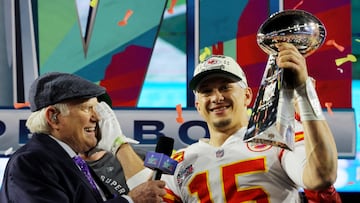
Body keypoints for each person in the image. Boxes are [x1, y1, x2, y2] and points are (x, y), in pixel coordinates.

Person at [125, 43, 339, 202]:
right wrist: (117, 144)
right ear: (198, 105)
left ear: (247, 96)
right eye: (207, 92)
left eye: (225, 87)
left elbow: (320, 178)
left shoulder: (277, 137)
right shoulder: (180, 161)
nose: (216, 97)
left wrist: (303, 92)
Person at [0, 72, 166, 203]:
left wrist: (120, 145)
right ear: (53, 117)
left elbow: (172, 171)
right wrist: (130, 200)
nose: (98, 118)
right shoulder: (31, 162)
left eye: (98, 110)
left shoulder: (70, 161)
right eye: (87, 108)